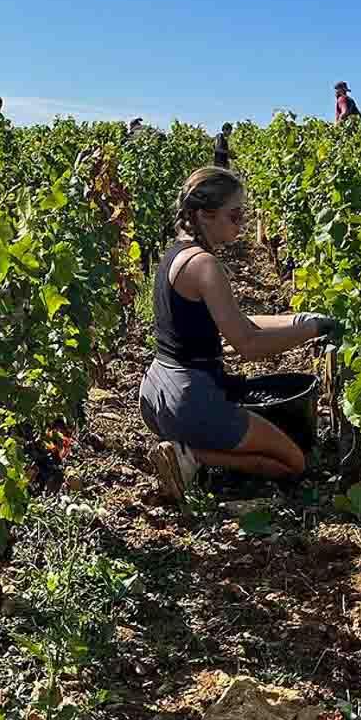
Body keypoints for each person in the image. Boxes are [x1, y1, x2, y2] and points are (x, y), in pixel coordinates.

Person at [139, 167, 338, 499]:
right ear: (205, 215)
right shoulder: (204, 265)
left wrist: (300, 319)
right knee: (293, 462)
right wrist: (310, 330)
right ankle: (187, 455)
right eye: (235, 215)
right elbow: (246, 344)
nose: (242, 223)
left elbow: (238, 321)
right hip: (190, 401)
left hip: (158, 392)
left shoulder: (177, 253)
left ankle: (187, 449)